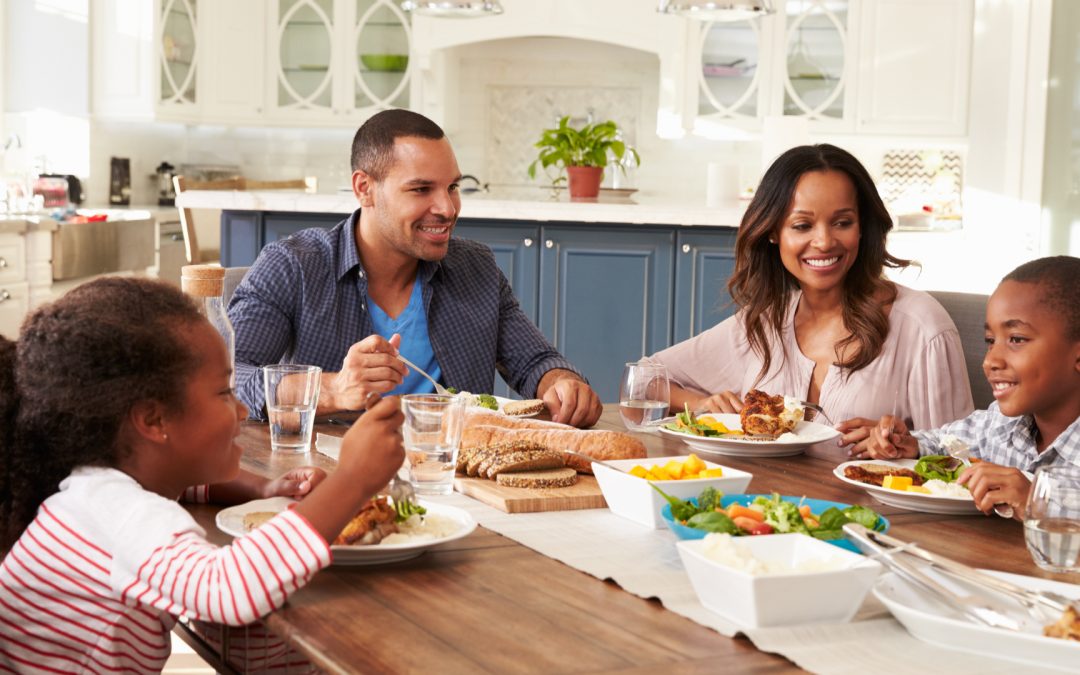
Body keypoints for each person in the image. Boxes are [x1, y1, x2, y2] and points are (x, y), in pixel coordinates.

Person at [0, 277, 405, 671]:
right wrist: (352, 479)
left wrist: (263, 486)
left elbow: (187, 483)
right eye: (224, 392)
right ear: (154, 419)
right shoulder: (123, 514)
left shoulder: (99, 487)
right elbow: (229, 590)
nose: (243, 410)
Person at [229, 109, 602, 428]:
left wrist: (562, 383)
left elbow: (535, 362)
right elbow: (226, 382)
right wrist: (333, 388)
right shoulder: (293, 266)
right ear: (365, 189)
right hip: (330, 483)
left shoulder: (477, 268)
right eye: (421, 189)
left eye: (453, 186)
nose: (447, 208)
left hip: (453, 479)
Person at [645, 144, 973, 433]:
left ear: (863, 228)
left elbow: (960, 456)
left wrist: (906, 443)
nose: (824, 242)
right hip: (763, 501)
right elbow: (645, 380)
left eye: (843, 223)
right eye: (802, 226)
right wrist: (702, 404)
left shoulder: (923, 328)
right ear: (773, 232)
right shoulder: (763, 323)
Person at [843, 256, 1080, 518]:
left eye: (1017, 339)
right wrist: (907, 443)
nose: (991, 361)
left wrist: (1036, 501)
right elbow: (947, 442)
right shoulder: (1000, 424)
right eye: (990, 340)